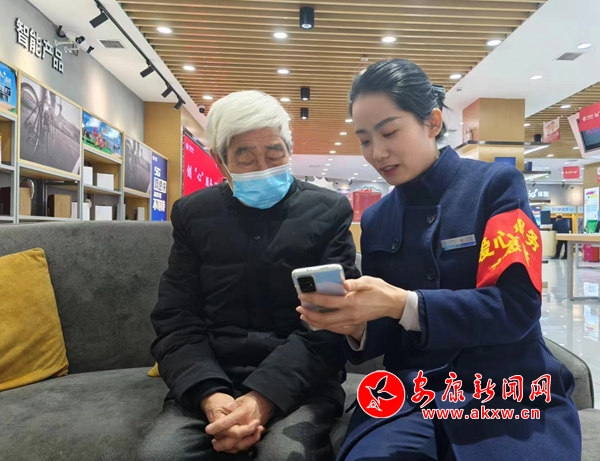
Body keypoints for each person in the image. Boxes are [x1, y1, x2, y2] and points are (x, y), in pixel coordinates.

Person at [296, 59, 581, 461]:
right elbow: (389, 332)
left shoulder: (495, 187)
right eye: (364, 140)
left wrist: (404, 303)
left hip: (505, 388)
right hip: (408, 394)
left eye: (389, 132)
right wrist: (357, 325)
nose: (377, 152)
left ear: (432, 122)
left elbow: (516, 308)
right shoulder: (377, 219)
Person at [138, 90, 361, 461]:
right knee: (162, 455)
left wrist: (262, 400)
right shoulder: (193, 214)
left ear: (290, 149)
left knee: (286, 456)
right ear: (220, 160)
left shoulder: (329, 211)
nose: (263, 167)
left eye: (275, 153)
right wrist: (212, 397)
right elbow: (175, 319)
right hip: (211, 381)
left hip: (301, 385)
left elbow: (331, 324)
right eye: (245, 155)